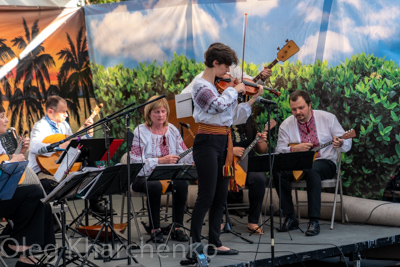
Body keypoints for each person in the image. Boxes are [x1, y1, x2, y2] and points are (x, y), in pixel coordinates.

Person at [189, 42, 263, 256]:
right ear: (215, 63)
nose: (228, 72)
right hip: (206, 141)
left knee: (221, 195)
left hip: (223, 140)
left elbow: (233, 116)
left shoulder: (219, 87)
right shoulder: (200, 86)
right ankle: (195, 243)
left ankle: (215, 241)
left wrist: (253, 98)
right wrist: (234, 90)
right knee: (206, 194)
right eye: (226, 67)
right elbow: (217, 105)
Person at [273, 90, 352, 236]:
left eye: (301, 108)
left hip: (325, 162)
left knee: (312, 169)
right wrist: (294, 149)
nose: (298, 112)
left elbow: (347, 142)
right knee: (277, 172)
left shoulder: (328, 118)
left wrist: (340, 142)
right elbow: (279, 151)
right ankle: (290, 218)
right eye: (294, 109)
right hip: (297, 164)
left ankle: (314, 220)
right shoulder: (286, 124)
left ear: (310, 105)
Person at [130, 95, 193, 243]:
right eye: (156, 112)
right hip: (142, 177)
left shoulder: (172, 130)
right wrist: (159, 161)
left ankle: (177, 228)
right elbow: (135, 162)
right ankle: (155, 229)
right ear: (149, 114)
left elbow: (182, 154)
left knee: (182, 183)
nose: (161, 115)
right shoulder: (140, 131)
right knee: (155, 186)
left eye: (163, 111)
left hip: (167, 176)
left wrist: (193, 155)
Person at [27, 95, 105, 214]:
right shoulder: (40, 126)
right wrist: (58, 146)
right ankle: (53, 220)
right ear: (50, 111)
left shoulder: (64, 125)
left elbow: (74, 143)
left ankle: (95, 202)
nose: (67, 115)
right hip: (42, 172)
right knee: (54, 187)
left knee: (90, 162)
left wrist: (87, 133)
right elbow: (34, 147)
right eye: (63, 112)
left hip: (61, 169)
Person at [0, 105, 55, 267]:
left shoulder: (2, 141)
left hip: (4, 194)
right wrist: (10, 162)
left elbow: (13, 173)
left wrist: (21, 153)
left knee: (42, 202)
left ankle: (27, 254)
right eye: (2, 116)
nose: (7, 120)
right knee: (34, 193)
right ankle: (17, 246)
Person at [229, 116, 269, 235]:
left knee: (259, 178)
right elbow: (214, 146)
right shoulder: (221, 120)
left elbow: (261, 150)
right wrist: (231, 150)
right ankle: (219, 220)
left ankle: (253, 222)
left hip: (248, 164)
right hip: (228, 163)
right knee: (222, 178)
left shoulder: (248, 122)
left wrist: (261, 141)